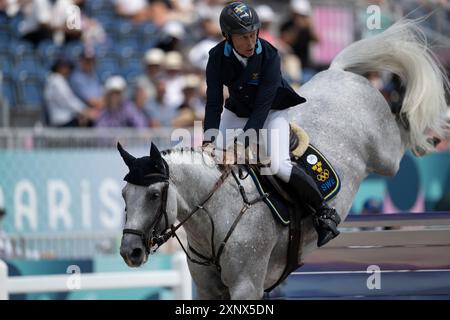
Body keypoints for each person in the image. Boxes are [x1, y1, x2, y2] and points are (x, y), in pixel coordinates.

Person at [202, 2, 340, 247]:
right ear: (227, 36)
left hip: (272, 110)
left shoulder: (270, 55)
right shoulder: (215, 57)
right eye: (243, 37)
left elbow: (262, 108)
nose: (251, 41)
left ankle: (323, 212)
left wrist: (240, 146)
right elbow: (213, 103)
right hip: (238, 109)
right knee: (209, 161)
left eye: (254, 34)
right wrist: (208, 140)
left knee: (278, 165)